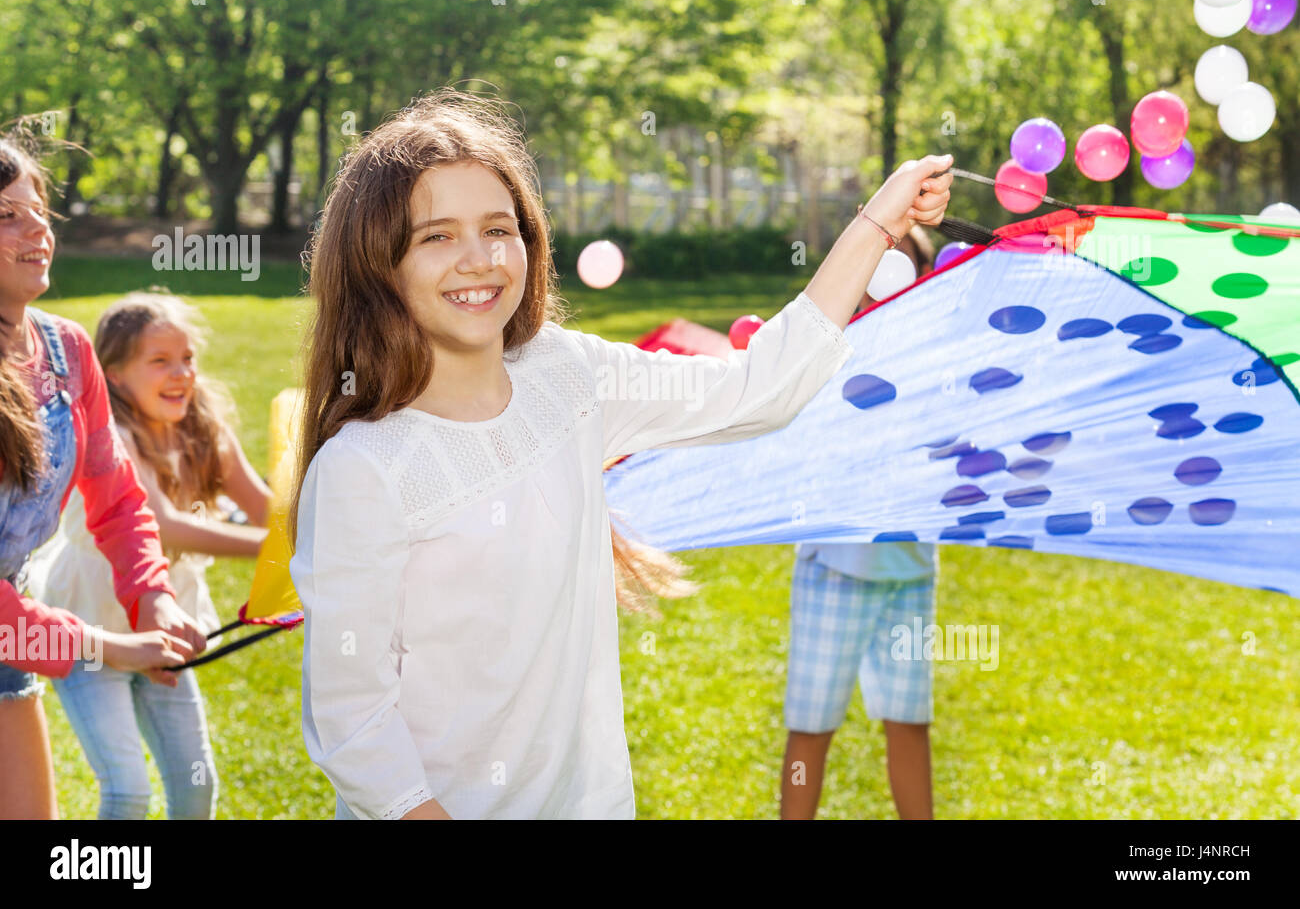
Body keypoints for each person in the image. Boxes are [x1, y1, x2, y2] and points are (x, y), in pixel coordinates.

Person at [289, 88, 953, 819]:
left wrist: (877, 225)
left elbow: (761, 388)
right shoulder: (363, 469)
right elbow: (354, 721)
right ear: (377, 264)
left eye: (498, 229)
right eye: (436, 236)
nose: (478, 260)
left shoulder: (567, 374)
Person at [0, 135, 206, 819]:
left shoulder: (67, 350)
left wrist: (153, 598)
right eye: (7, 216)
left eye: (39, 212)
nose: (39, 230)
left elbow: (116, 498)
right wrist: (111, 646)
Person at [27, 291, 271, 819]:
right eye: (159, 361)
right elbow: (161, 525)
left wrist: (325, 536)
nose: (181, 372)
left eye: (187, 358)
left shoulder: (207, 433)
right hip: (92, 628)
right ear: (113, 375)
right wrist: (275, 550)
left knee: (196, 784)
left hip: (166, 625)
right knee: (128, 789)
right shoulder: (112, 435)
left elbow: (269, 513)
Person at [781, 226, 939, 821]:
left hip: (910, 573)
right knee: (811, 724)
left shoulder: (931, 357)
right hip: (836, 572)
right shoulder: (832, 351)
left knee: (910, 722)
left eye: (904, 266)